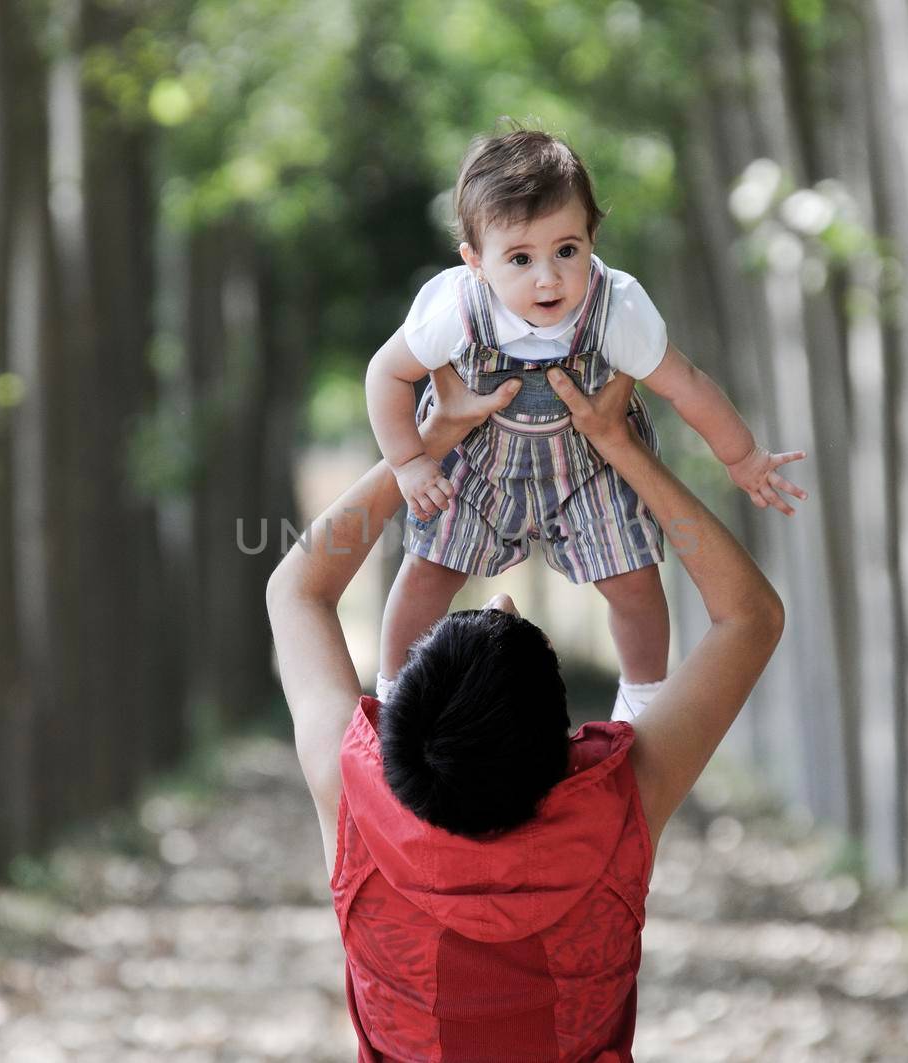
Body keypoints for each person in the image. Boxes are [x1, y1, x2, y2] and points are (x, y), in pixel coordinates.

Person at [267, 363, 786, 1061]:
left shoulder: (353, 793)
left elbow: (295, 588)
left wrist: (419, 447)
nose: (500, 596)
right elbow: (750, 614)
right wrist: (621, 449)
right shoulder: (618, 806)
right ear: (567, 746)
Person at [365, 126, 805, 724]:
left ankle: (644, 698)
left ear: (593, 240)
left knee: (634, 581)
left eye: (566, 251)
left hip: (589, 469)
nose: (548, 277)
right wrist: (410, 461)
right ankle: (395, 693)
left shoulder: (616, 307)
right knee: (428, 572)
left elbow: (687, 385)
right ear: (475, 262)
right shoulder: (456, 307)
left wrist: (743, 458)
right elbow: (386, 375)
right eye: (520, 259)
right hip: (476, 464)